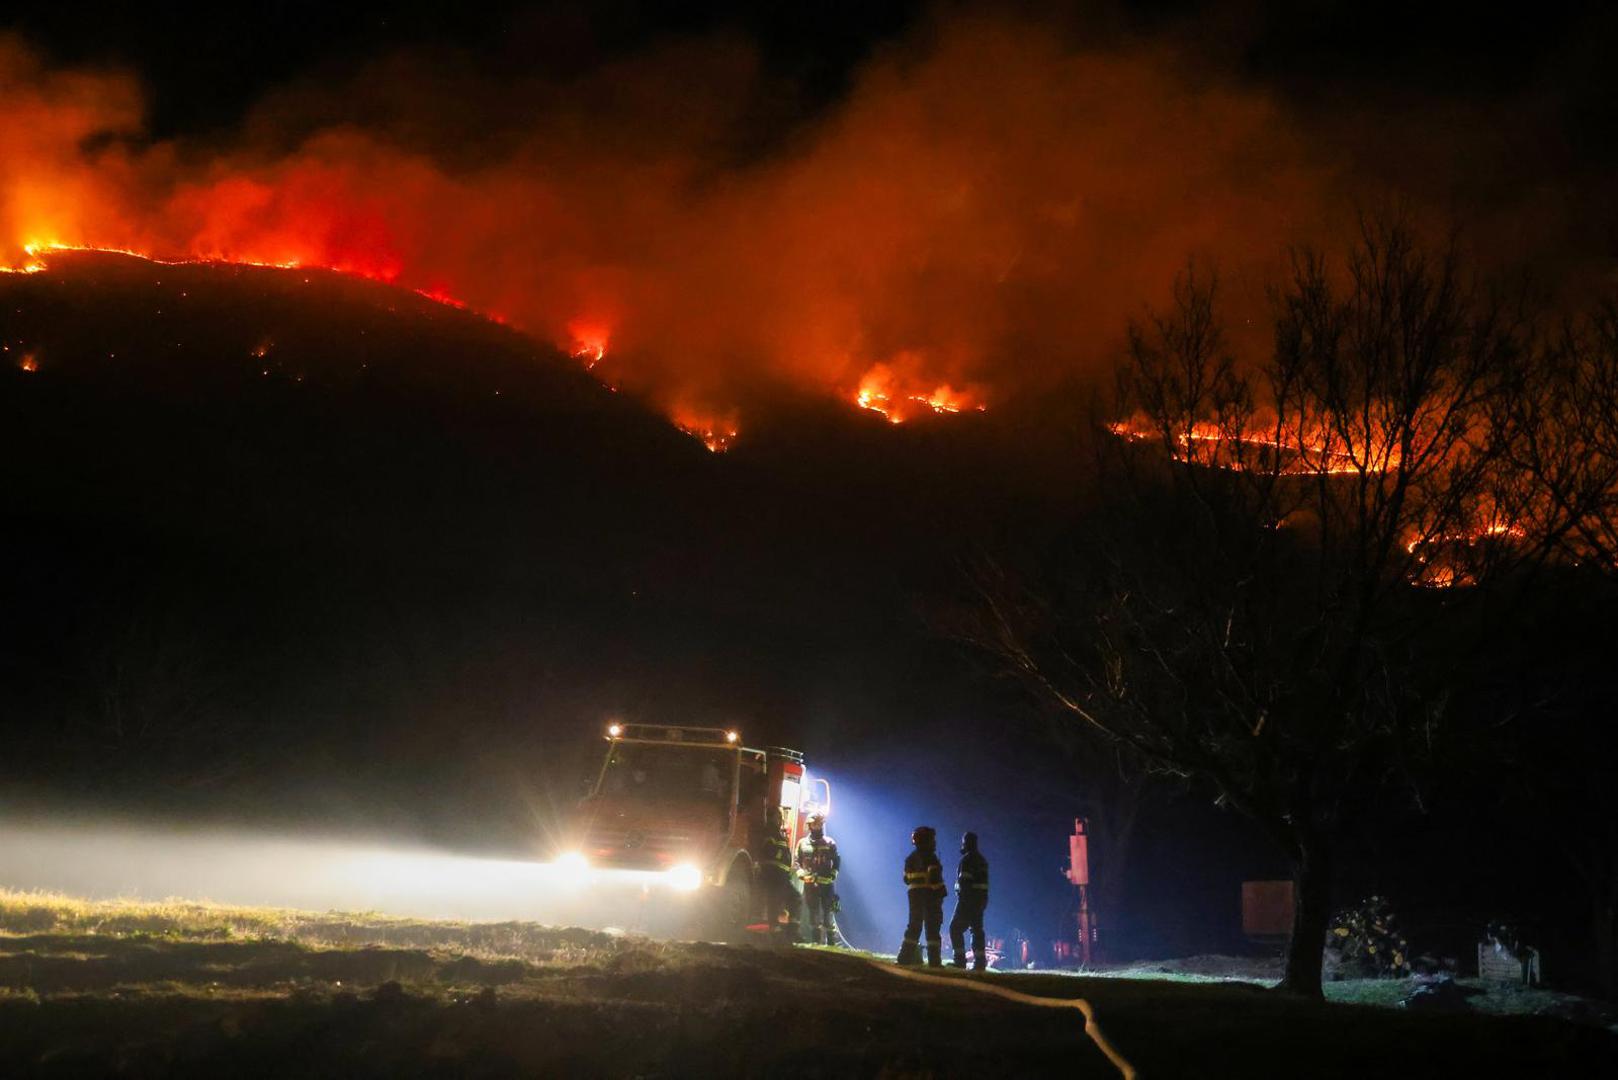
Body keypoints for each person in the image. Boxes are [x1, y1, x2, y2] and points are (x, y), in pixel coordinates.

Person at [898, 825, 946, 967]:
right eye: (932, 840)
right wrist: (941, 892)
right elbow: (934, 878)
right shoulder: (931, 858)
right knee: (932, 927)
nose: (934, 842)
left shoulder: (909, 859)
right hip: (930, 895)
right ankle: (934, 961)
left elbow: (906, 879)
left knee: (914, 925)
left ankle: (904, 958)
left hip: (913, 894)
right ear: (927, 840)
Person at [796, 813, 840, 945]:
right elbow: (797, 861)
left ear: (821, 824)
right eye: (813, 824)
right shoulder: (802, 843)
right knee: (813, 914)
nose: (815, 826)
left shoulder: (830, 842)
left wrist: (833, 874)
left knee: (828, 915)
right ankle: (816, 943)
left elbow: (837, 860)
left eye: (817, 823)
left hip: (826, 884)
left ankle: (832, 943)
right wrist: (801, 874)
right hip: (810, 884)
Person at [949, 831, 989, 970]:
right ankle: (980, 963)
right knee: (977, 930)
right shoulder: (982, 860)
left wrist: (962, 899)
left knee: (954, 928)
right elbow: (984, 885)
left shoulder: (966, 860)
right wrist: (983, 901)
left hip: (966, 901)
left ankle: (959, 961)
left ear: (966, 843)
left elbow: (964, 883)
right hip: (979, 902)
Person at [759, 806, 798, 942]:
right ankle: (777, 931)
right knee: (775, 901)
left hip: (781, 875)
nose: (780, 820)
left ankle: (791, 930)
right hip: (774, 874)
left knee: (794, 898)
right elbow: (766, 851)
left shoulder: (776, 833)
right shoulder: (770, 832)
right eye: (778, 817)